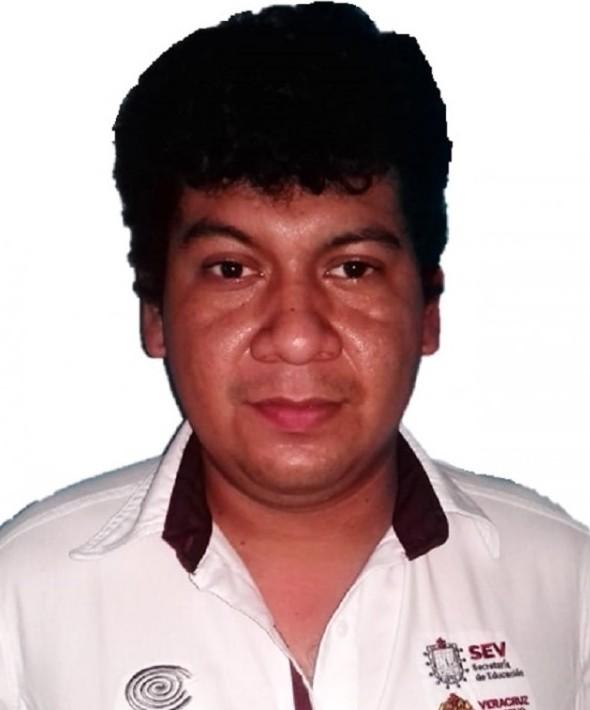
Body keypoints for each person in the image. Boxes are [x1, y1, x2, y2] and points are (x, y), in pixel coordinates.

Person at [0, 3, 587, 709]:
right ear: (155, 313)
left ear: (427, 310)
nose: (299, 336)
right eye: (231, 269)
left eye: (352, 269)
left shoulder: (563, 584)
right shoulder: (23, 598)